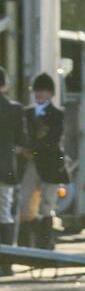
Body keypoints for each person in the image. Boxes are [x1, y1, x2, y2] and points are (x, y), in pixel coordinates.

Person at [19, 73, 68, 249]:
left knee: (47, 204)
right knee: (26, 204)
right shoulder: (26, 113)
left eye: (43, 91)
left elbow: (53, 139)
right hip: (31, 164)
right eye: (37, 91)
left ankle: (46, 242)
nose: (39, 94)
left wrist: (31, 150)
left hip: (50, 164)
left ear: (50, 94)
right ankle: (26, 242)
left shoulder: (58, 114)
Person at [0, 66, 24, 246]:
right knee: (4, 212)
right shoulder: (14, 109)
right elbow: (22, 139)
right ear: (5, 86)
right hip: (5, 168)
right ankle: (6, 262)